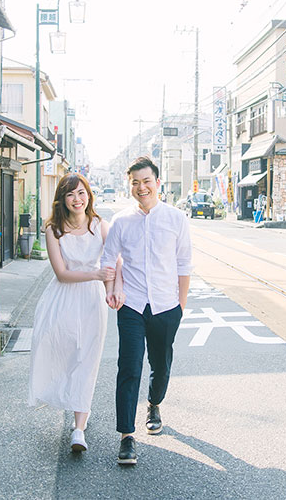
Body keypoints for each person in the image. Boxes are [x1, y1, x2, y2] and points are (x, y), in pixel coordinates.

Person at [101, 156, 192, 465]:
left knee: (161, 364)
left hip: (167, 306)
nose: (141, 188)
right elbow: (108, 260)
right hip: (132, 304)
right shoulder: (121, 221)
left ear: (158, 183)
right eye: (135, 183)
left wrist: (180, 306)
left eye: (146, 181)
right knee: (129, 366)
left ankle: (153, 404)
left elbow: (184, 264)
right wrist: (110, 291)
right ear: (131, 186)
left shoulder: (177, 219)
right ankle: (126, 436)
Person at [28, 173, 123, 453]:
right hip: (62, 298)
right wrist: (96, 275)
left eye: (81, 193)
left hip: (92, 301)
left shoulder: (100, 225)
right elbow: (62, 273)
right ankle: (70, 399)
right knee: (62, 351)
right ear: (62, 199)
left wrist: (111, 290)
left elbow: (115, 262)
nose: (77, 199)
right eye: (70, 194)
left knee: (87, 358)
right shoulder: (53, 230)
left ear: (89, 195)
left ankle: (79, 427)